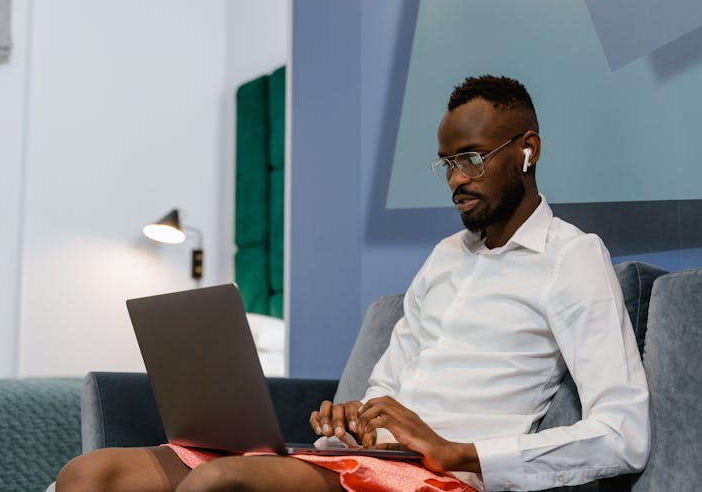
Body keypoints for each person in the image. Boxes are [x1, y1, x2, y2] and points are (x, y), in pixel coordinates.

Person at [56, 75, 649, 491]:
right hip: (361, 463)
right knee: (91, 476)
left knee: (223, 482)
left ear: (527, 152)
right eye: (447, 164)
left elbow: (623, 435)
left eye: (472, 158)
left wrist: (456, 451)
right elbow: (386, 387)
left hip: (436, 479)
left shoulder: (570, 257)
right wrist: (353, 419)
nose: (455, 181)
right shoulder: (445, 258)